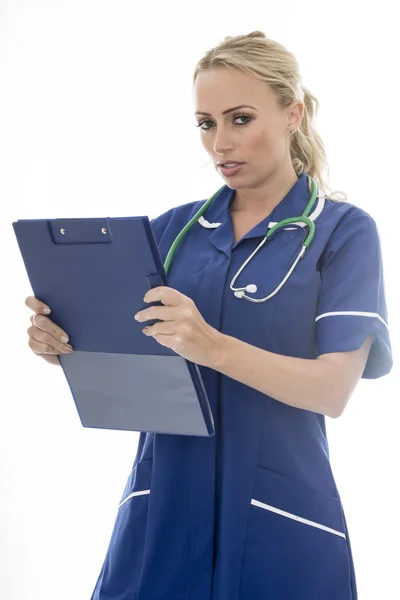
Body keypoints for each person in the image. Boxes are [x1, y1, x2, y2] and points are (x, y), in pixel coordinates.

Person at [25, 31, 393, 600]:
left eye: (240, 118)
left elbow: (332, 390)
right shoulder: (170, 233)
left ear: (292, 113)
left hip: (278, 512)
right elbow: (133, 369)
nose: (220, 142)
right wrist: (66, 345)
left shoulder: (342, 232)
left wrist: (211, 345)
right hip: (163, 506)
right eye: (205, 123)